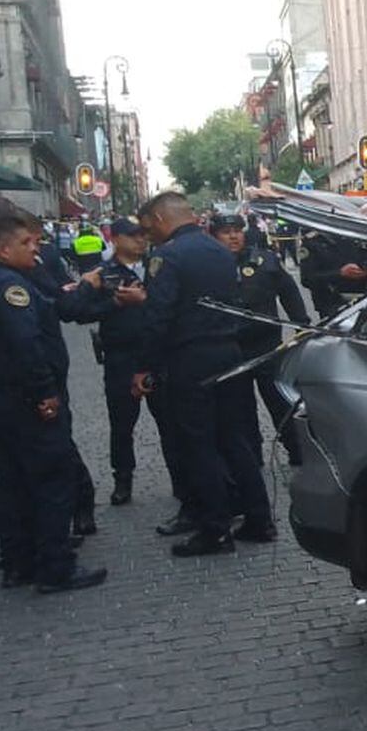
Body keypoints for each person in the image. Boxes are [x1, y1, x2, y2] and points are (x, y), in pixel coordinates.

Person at [0, 214, 107, 592]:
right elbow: (27, 344)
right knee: (52, 479)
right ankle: (56, 567)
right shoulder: (9, 286)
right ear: (4, 248)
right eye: (27, 243)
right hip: (25, 400)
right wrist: (44, 391)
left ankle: (17, 561)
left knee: (12, 479)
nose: (37, 249)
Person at [134, 193, 273, 556]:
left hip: (190, 358)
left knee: (199, 445)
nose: (149, 236)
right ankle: (259, 519)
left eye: (150, 227)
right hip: (228, 352)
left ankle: (216, 530)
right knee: (235, 439)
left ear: (162, 219)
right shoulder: (218, 251)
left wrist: (145, 366)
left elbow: (159, 316)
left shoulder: (168, 256)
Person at [62, 218, 154, 505]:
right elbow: (80, 312)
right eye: (134, 236)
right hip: (121, 356)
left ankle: (183, 478)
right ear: (115, 238)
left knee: (171, 419)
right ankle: (123, 479)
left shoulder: (158, 266)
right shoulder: (103, 273)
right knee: (122, 423)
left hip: (156, 353)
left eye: (143, 235)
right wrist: (113, 304)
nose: (141, 241)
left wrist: (144, 300)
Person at [211, 212, 310, 463]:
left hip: (267, 347)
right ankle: (250, 457)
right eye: (226, 232)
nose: (233, 236)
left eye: (237, 231)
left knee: (281, 403)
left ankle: (297, 452)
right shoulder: (209, 265)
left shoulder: (265, 260)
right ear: (214, 236)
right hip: (232, 348)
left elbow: (289, 292)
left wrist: (301, 325)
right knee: (240, 410)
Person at [299, 230, 367, 320]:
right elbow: (307, 278)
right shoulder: (313, 243)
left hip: (362, 299)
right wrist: (339, 273)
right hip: (330, 302)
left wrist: (366, 273)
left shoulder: (356, 238)